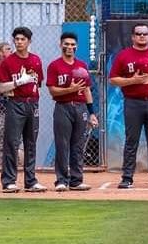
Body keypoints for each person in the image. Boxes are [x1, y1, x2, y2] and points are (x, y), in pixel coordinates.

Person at [109, 23, 148, 189]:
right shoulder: (124, 55)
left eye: (145, 33)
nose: (142, 36)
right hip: (133, 102)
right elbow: (113, 79)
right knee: (131, 141)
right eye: (138, 33)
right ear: (133, 37)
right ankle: (127, 178)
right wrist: (133, 80)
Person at [0, 27, 47, 193]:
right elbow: (1, 88)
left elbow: (38, 83)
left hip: (32, 103)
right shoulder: (8, 62)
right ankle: (9, 181)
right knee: (12, 142)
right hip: (15, 103)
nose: (19, 42)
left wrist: (28, 86)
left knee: (31, 142)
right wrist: (19, 82)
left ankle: (30, 180)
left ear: (29, 41)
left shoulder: (36, 60)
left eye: (22, 39)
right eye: (17, 39)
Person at [47, 32, 98, 191]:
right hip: (63, 107)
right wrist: (70, 89)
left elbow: (87, 90)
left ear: (76, 46)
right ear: (61, 45)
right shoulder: (55, 65)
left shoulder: (82, 65)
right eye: (66, 44)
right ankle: (61, 180)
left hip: (80, 107)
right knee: (62, 144)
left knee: (78, 145)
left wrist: (92, 113)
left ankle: (76, 180)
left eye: (72, 44)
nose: (70, 47)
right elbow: (52, 90)